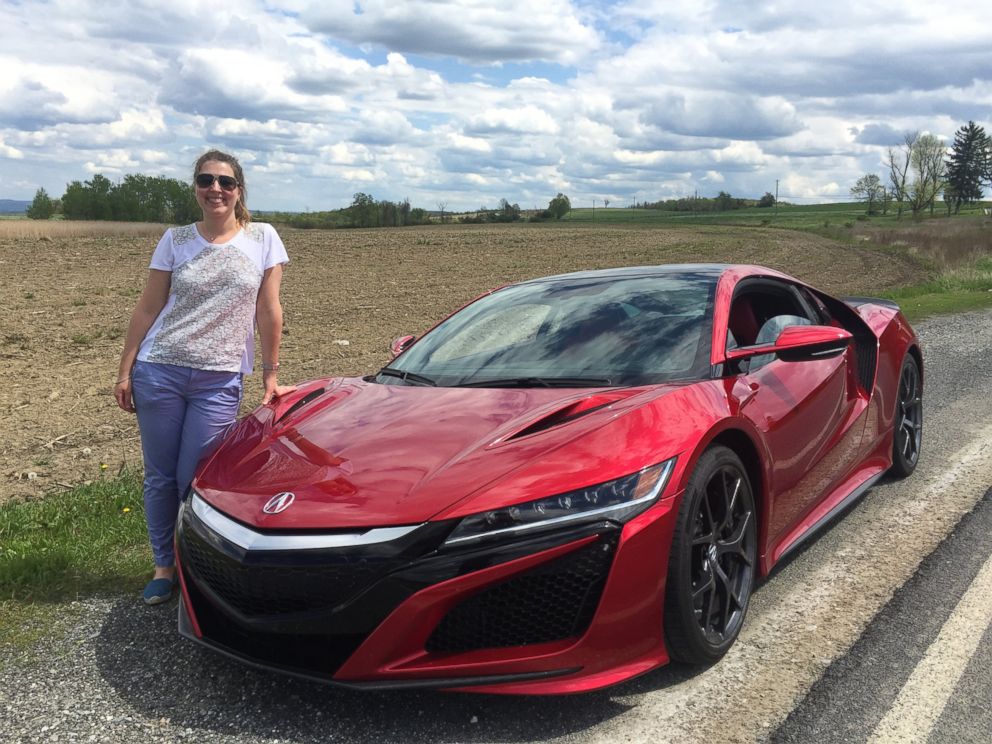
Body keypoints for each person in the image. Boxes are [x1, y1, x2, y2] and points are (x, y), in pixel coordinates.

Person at [114, 149, 294, 605]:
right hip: (160, 371)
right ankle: (163, 566)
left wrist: (271, 374)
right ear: (195, 187)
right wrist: (125, 369)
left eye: (225, 182)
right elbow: (148, 307)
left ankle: (196, 562)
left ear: (238, 190)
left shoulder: (262, 238)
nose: (215, 188)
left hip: (218, 378)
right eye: (206, 180)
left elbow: (268, 310)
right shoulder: (174, 240)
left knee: (196, 476)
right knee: (160, 476)